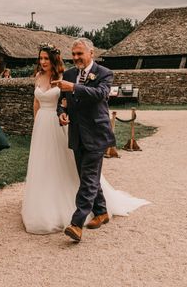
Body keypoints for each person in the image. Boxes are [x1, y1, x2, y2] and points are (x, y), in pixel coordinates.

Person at [22, 40, 148, 236]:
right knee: (84, 175)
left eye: (80, 53)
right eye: (73, 54)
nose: (76, 58)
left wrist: (73, 87)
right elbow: (63, 101)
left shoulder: (104, 73)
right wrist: (62, 112)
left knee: (88, 178)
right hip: (75, 133)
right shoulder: (71, 74)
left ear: (91, 53)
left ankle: (76, 223)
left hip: (96, 134)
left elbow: (100, 94)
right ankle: (102, 211)